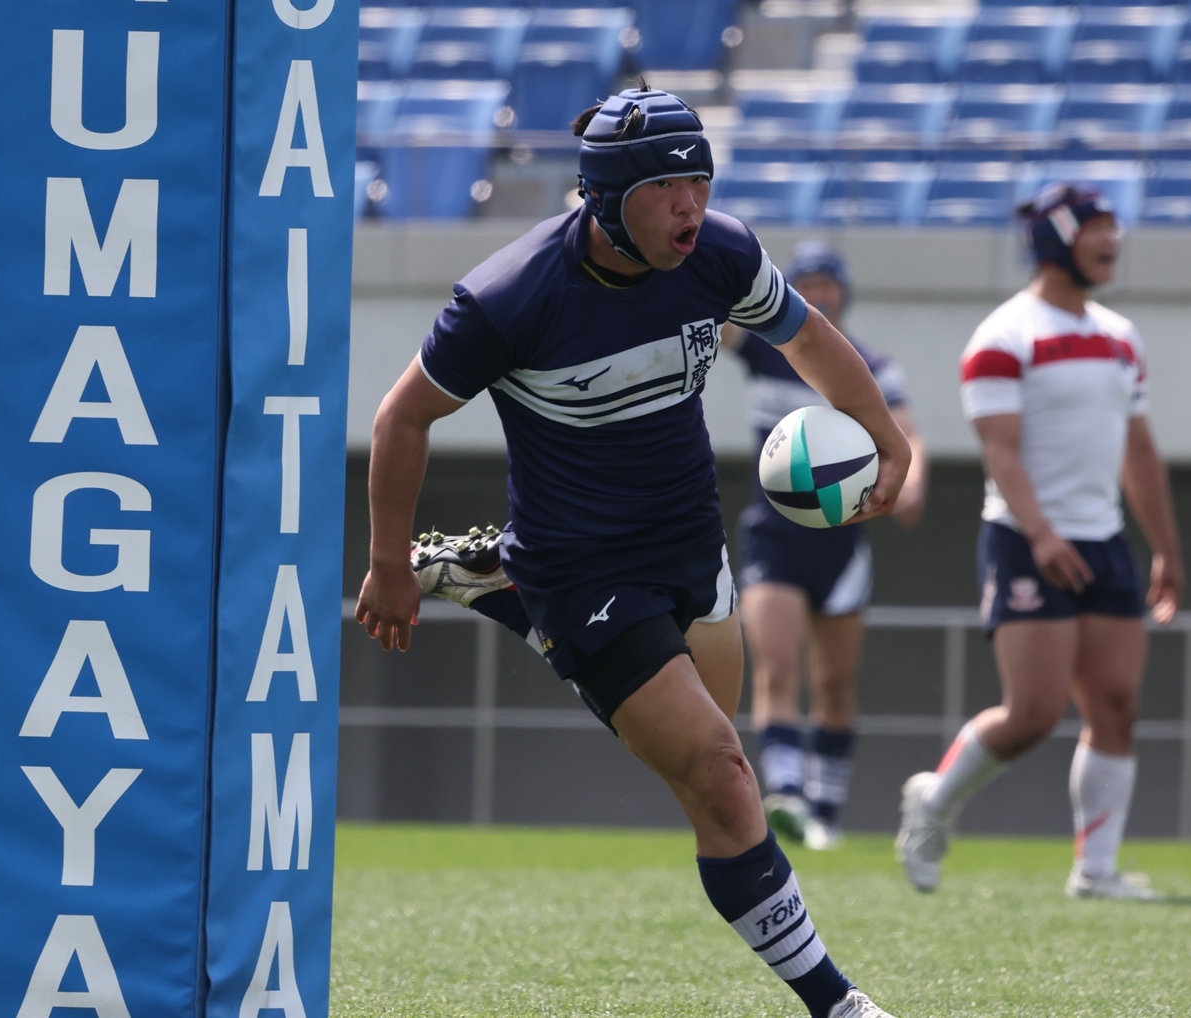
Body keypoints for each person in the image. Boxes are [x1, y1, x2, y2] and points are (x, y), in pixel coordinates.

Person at [354, 87, 912, 1018]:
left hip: (691, 544)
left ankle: (506, 588)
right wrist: (383, 566)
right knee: (725, 780)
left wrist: (886, 436)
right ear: (607, 199)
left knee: (711, 770)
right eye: (665, 188)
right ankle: (839, 1004)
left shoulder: (720, 252)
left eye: (700, 182)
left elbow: (808, 337)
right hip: (584, 568)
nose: (690, 205)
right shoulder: (509, 297)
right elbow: (400, 418)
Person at [894, 183, 1184, 900]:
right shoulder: (1003, 337)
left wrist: (1167, 549)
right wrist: (1044, 535)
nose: (1113, 241)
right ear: (1055, 240)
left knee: (1116, 705)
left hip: (1104, 540)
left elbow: (1140, 451)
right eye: (1097, 228)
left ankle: (1097, 871)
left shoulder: (1121, 336)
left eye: (1115, 227)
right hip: (1024, 541)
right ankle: (933, 802)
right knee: (1033, 714)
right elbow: (1001, 452)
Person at [724, 241, 927, 851]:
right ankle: (787, 796)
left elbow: (907, 433)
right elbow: (716, 319)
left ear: (844, 292)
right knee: (778, 666)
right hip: (775, 539)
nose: (819, 293)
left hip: (842, 546)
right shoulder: (765, 352)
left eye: (827, 283)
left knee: (835, 683)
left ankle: (826, 815)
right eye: (806, 282)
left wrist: (912, 484)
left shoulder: (871, 367)